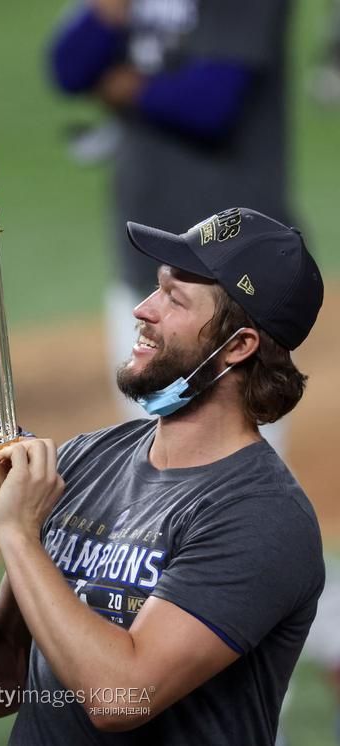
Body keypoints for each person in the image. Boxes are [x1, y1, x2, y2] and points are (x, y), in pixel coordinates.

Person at [0, 207, 324, 745]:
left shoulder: (261, 517)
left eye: (175, 299)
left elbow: (120, 697)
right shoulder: (87, 460)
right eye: (157, 287)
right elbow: (3, 677)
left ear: (238, 346)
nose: (143, 309)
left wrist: (18, 533)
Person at [48, 0, 296, 455]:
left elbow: (211, 103)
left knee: (239, 452)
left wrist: (117, 84)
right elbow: (69, 67)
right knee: (151, 445)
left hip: (233, 266)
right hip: (144, 250)